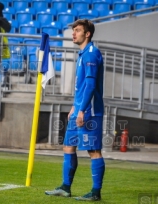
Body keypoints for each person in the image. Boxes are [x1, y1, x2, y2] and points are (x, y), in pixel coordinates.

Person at [45, 19, 105, 201]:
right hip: (79, 108)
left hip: (90, 111)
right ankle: (65, 187)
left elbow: (91, 85)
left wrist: (82, 110)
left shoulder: (91, 54)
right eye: (73, 30)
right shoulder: (83, 54)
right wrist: (74, 106)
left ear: (87, 34)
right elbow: (81, 86)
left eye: (77, 30)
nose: (73, 33)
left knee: (93, 150)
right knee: (68, 146)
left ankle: (95, 192)